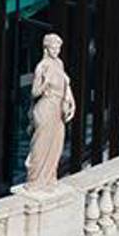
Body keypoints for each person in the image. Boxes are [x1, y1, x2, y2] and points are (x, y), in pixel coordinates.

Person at [25, 33, 75, 191]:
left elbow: (65, 84)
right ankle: (34, 180)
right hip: (46, 107)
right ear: (46, 48)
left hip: (58, 107)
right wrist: (45, 83)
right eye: (53, 48)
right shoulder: (42, 66)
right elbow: (34, 92)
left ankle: (49, 177)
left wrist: (71, 101)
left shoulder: (59, 63)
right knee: (41, 144)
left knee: (56, 143)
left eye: (59, 47)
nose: (57, 51)